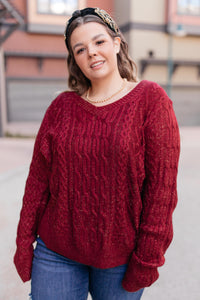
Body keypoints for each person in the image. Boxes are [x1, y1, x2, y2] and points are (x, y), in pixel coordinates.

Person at [14, 7, 180, 300]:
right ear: (75, 60)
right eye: (81, 49)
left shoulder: (151, 100)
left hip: (122, 255)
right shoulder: (61, 107)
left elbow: (161, 191)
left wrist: (148, 257)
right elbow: (38, 182)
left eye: (99, 42)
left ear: (116, 43)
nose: (91, 52)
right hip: (57, 251)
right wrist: (24, 242)